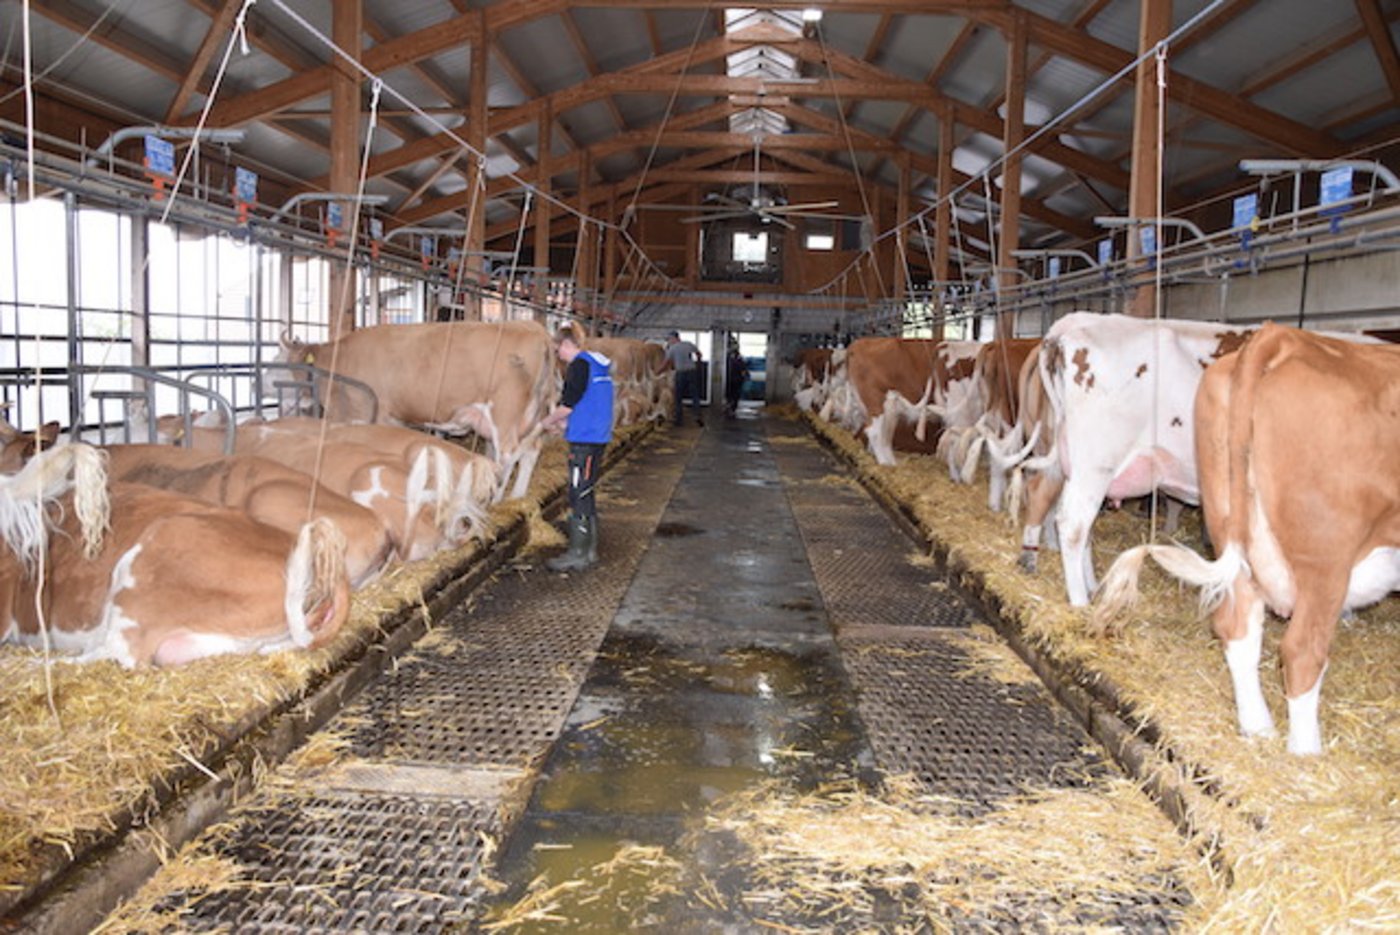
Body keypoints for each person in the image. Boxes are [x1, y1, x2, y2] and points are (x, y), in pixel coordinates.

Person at [541, 327, 614, 572]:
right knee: (586, 491)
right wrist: (564, 425)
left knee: (578, 492)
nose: (558, 354)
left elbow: (568, 404)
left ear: (567, 344)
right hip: (594, 436)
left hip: (585, 441)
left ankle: (578, 553)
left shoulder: (579, 366)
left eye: (558, 349)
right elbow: (589, 404)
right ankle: (589, 550)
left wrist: (545, 422)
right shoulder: (597, 366)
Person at [662, 330, 704, 427]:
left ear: (674, 338)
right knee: (695, 395)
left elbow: (666, 363)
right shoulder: (688, 344)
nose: (669, 342)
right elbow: (699, 354)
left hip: (681, 372)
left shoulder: (672, 348)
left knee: (678, 396)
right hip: (692, 371)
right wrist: (698, 364)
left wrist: (657, 372)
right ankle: (698, 416)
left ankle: (679, 419)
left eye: (669, 339)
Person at [724, 342, 749, 418]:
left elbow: (743, 369)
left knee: (732, 394)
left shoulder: (730, 358)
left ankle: (730, 407)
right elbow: (743, 369)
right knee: (734, 394)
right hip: (735, 379)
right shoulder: (737, 358)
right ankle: (731, 408)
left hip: (733, 379)